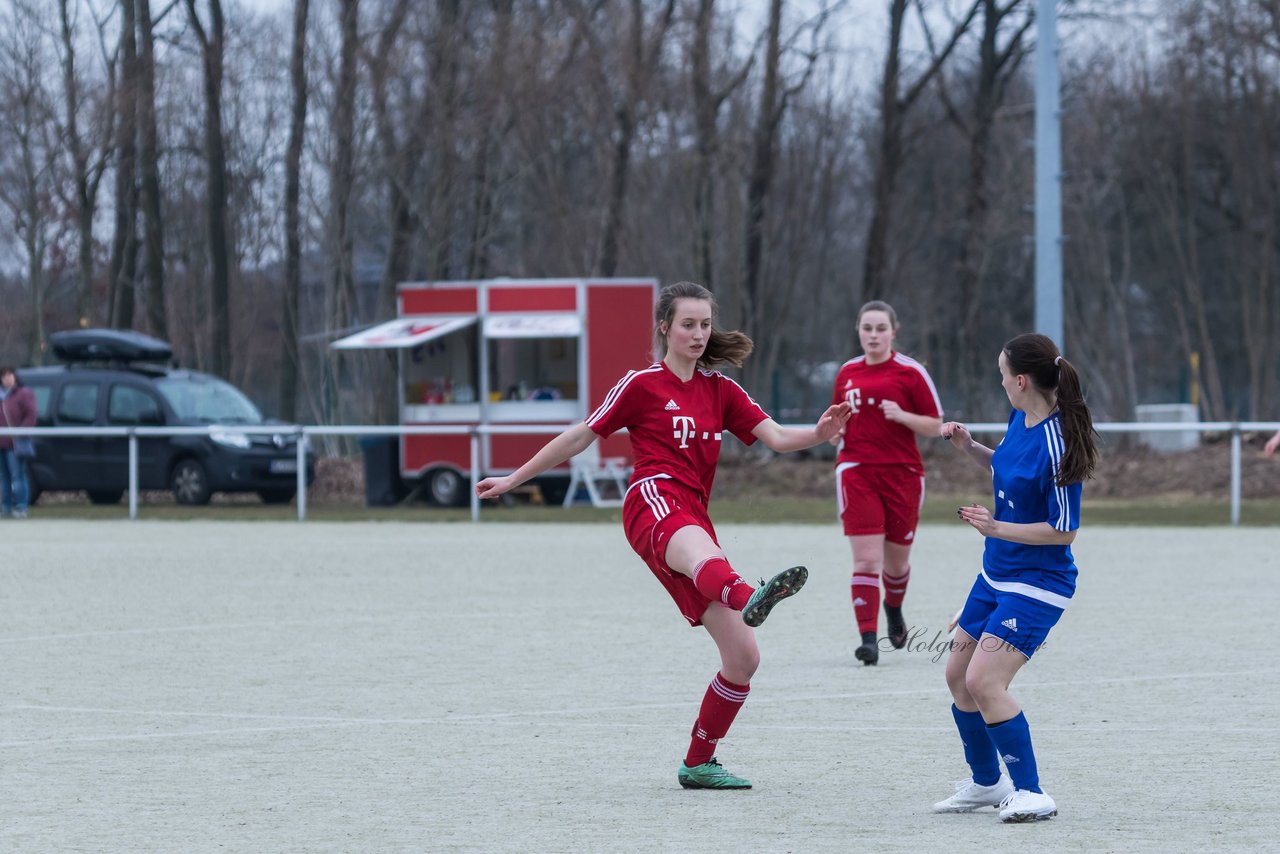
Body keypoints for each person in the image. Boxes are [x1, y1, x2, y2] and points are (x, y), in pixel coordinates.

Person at [476, 281, 851, 790]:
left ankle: (698, 763)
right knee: (701, 551)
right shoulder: (641, 384)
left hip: (691, 515)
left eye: (705, 324)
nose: (699, 334)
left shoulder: (721, 389)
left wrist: (820, 435)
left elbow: (779, 437)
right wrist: (513, 479)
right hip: (653, 503)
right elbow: (580, 435)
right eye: (688, 324)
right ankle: (750, 596)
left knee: (743, 658)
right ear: (665, 328)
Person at [934, 333, 1099, 823]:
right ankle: (987, 784)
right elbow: (1008, 468)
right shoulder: (1020, 418)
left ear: (1021, 380)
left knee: (985, 681)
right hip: (995, 573)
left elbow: (1064, 532)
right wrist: (970, 448)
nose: (1000, 380)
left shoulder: (1059, 441)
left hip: (1038, 584)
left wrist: (995, 526)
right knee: (956, 677)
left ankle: (1032, 792)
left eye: (1003, 373)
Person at [831, 301, 942, 665]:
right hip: (857, 471)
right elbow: (834, 423)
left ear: (893, 332)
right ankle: (868, 639)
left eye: (881, 328)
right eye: (867, 328)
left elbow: (935, 425)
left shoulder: (910, 373)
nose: (873, 335)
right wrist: (834, 431)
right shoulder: (847, 373)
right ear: (858, 330)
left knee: (895, 566)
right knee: (866, 561)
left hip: (903, 475)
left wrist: (902, 415)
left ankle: (893, 607)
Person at [0, 366, 37, 519]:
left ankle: (21, 507)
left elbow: (31, 414)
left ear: (15, 377)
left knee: (18, 476)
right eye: (4, 376)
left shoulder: (24, 393)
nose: (7, 378)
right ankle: (6, 507)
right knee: (3, 477)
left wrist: (20, 432)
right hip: (1, 443)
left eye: (10, 375)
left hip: (15, 444)